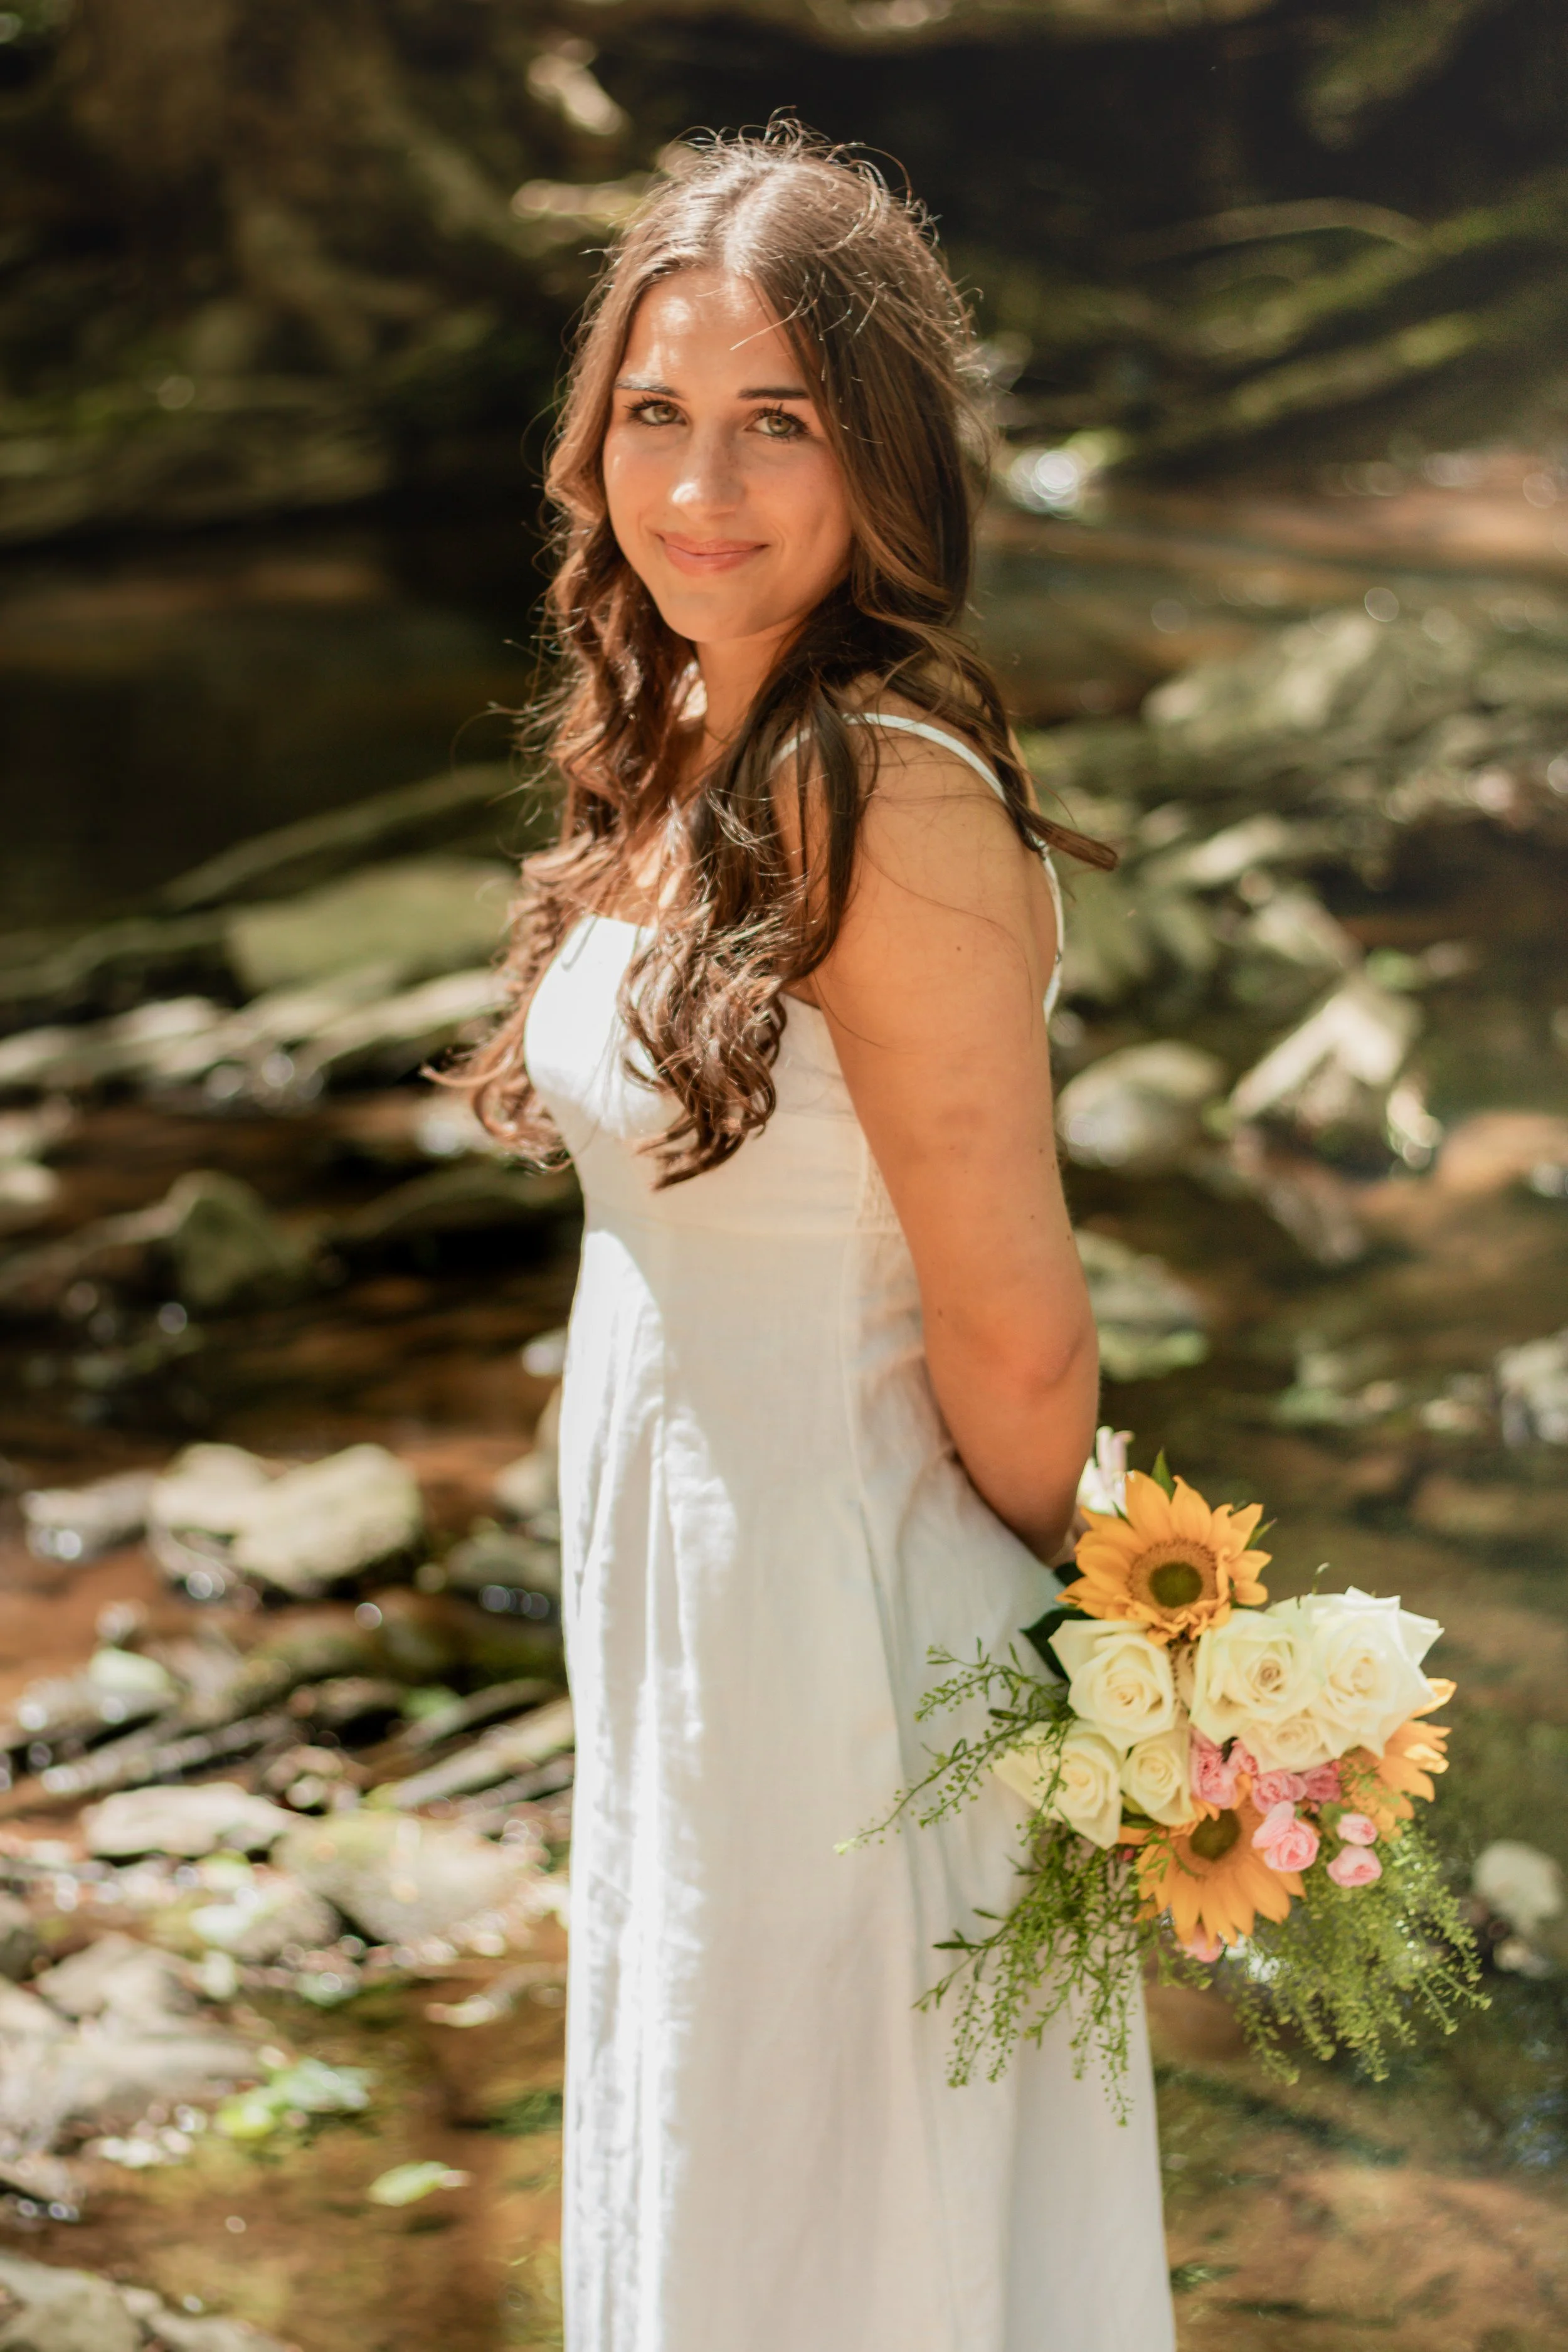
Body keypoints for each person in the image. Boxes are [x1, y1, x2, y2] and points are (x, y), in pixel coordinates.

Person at [465, 125, 1174, 2352]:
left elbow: (1016, 1330)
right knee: (732, 2164)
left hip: (851, 1640)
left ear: (882, 450)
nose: (703, 483)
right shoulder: (686, 720)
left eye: (777, 421)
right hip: (688, 1595)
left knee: (843, 2220)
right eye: (658, 413)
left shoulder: (881, 789)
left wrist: (1124, 1676)